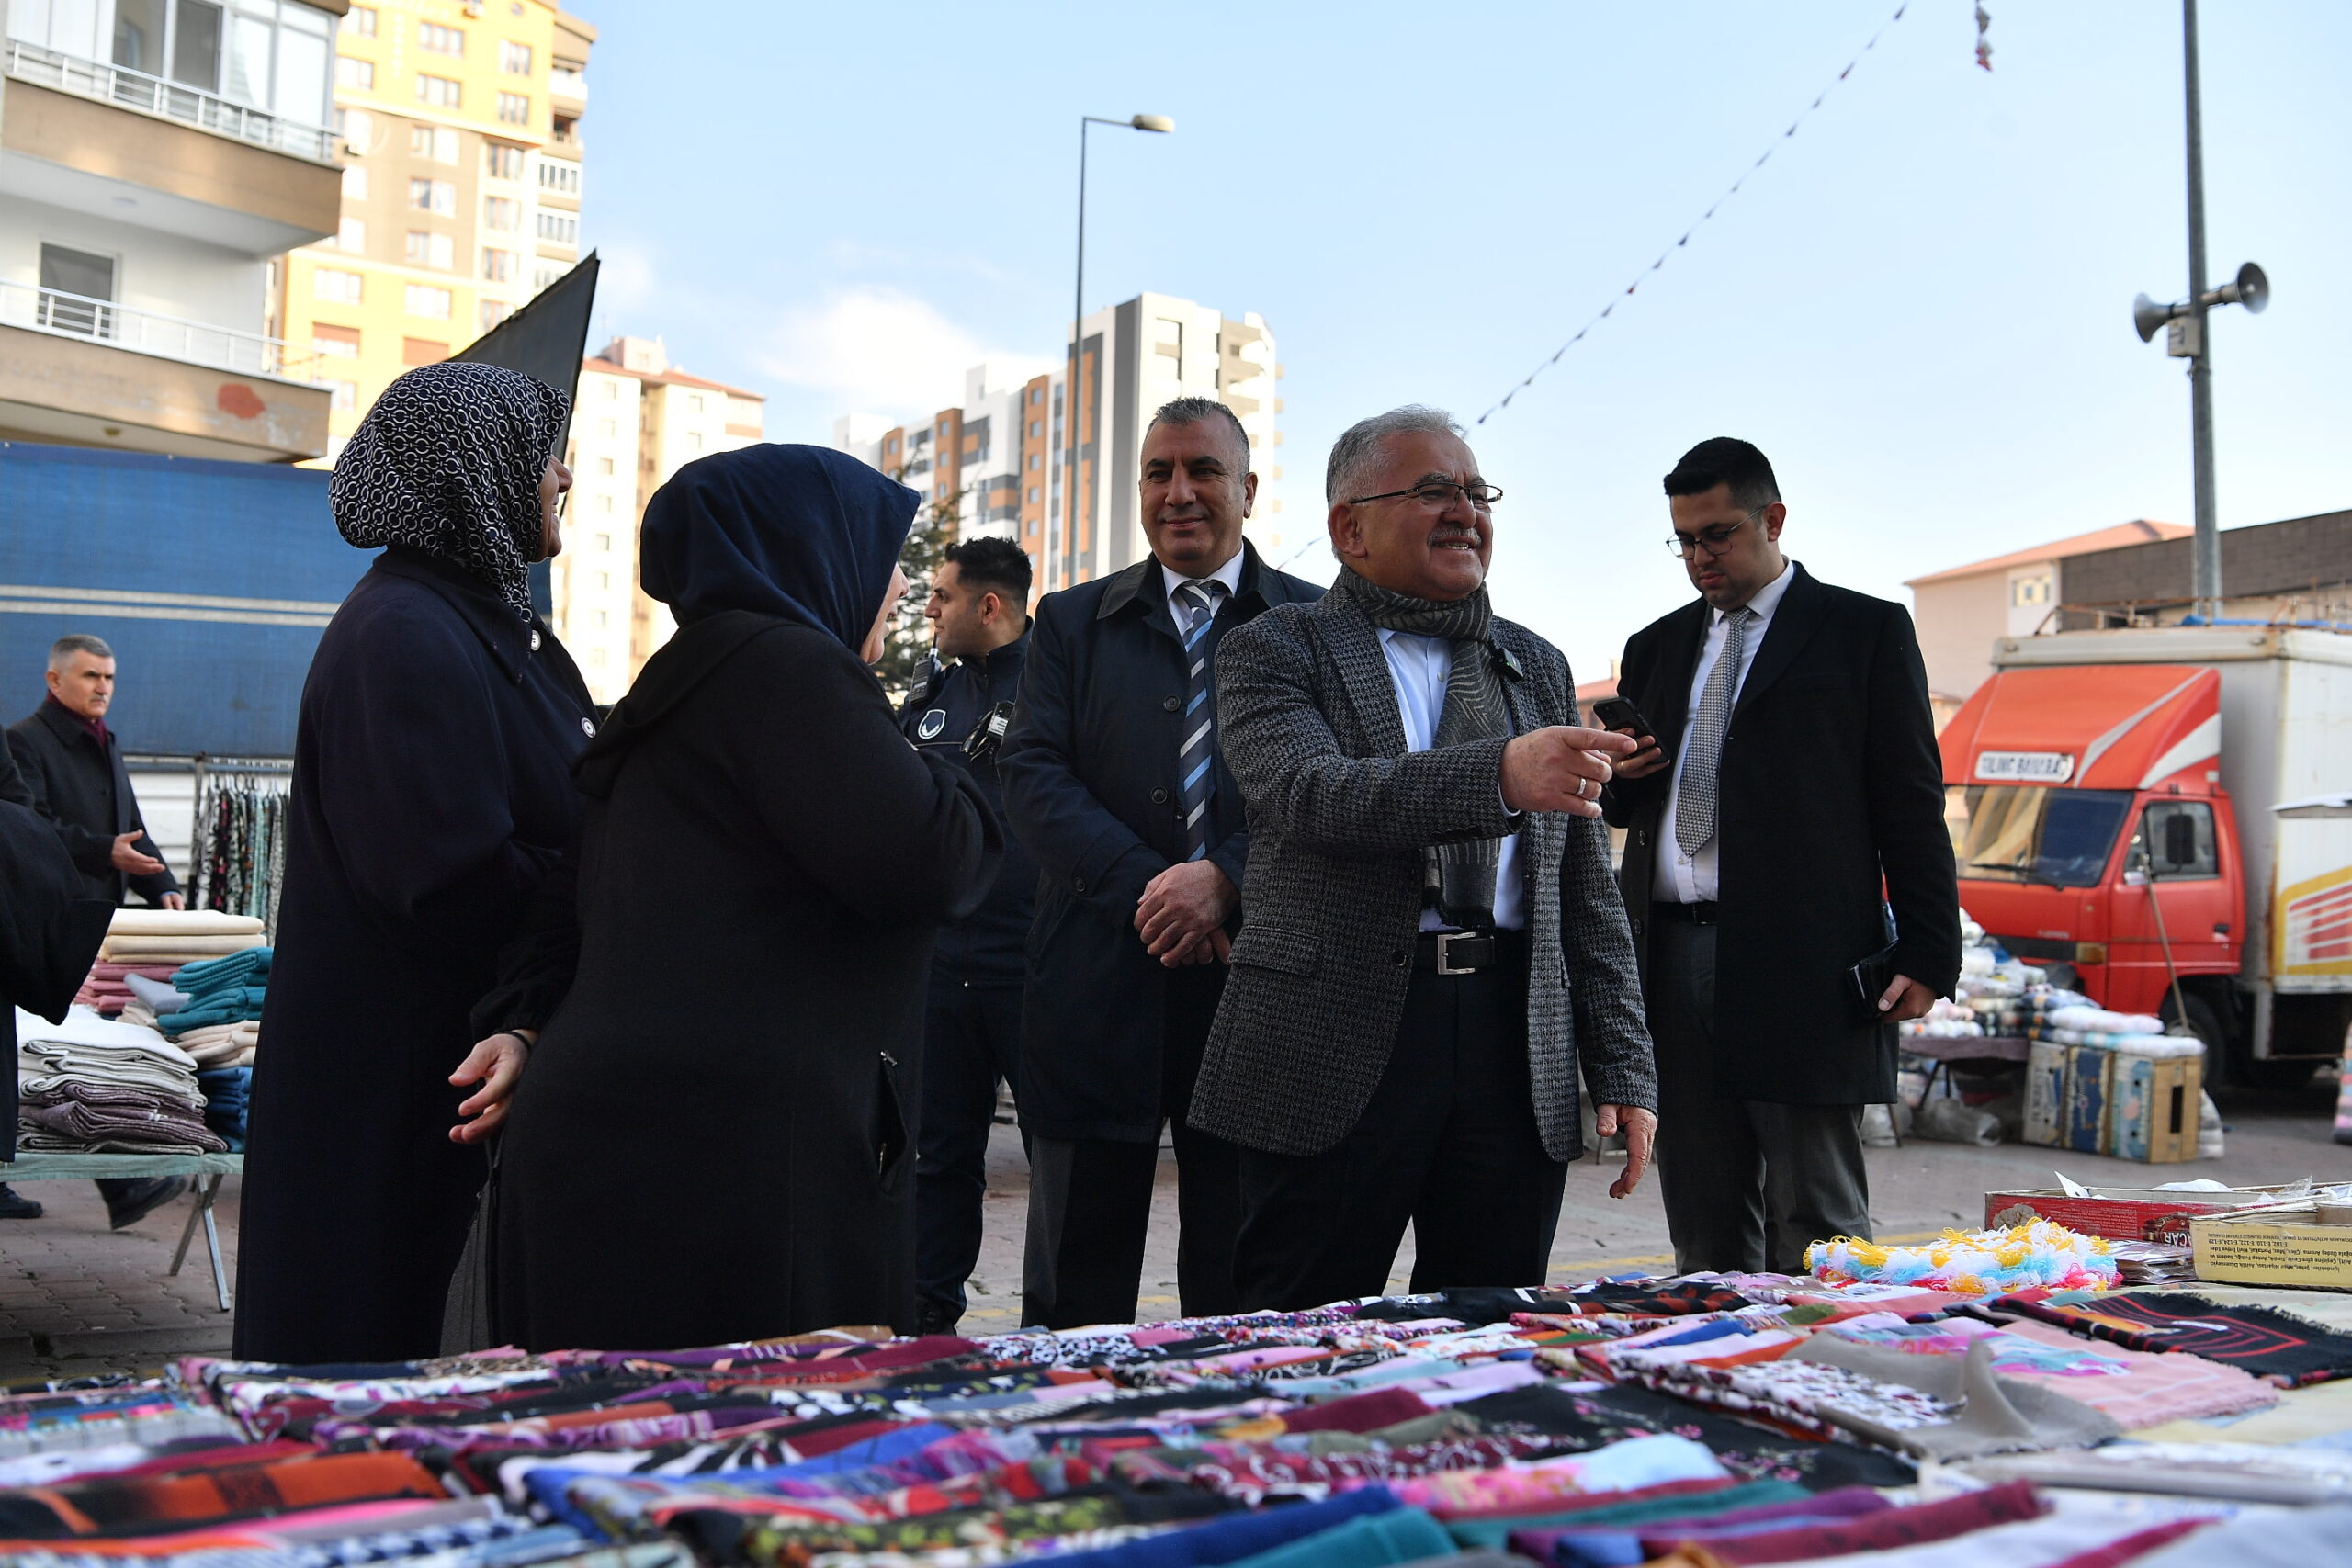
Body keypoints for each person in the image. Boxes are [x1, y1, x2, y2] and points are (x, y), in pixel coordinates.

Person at [489, 444, 1000, 1350]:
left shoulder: (689, 677)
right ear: (816, 551)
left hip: (635, 1157)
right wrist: (959, 768)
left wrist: (523, 1022)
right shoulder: (791, 670)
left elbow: (571, 902)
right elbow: (930, 859)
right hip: (731, 1182)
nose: (893, 590)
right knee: (750, 1459)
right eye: (882, 560)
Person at [1192, 406, 1658, 1310]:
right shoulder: (1273, 647)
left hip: (1512, 1047)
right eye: (1431, 490)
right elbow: (1306, 793)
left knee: (1488, 1336)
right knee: (1302, 1342)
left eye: (1476, 492)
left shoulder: (1536, 664)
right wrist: (1497, 775)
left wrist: (1625, 1067)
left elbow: (1582, 889)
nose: (1463, 511)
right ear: (1348, 528)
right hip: (1335, 1041)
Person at [232, 362, 598, 1363]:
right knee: (373, 1372)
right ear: (475, 468)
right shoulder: (403, 636)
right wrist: (611, 886)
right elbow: (447, 883)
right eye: (545, 455)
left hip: (452, 1074)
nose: (563, 477)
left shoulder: (487, 625)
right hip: (399, 1098)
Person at [998, 397, 1323, 1329]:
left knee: (1240, 1279)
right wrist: (1157, 892)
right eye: (1157, 473)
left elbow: (1333, 782)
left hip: (1254, 984)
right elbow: (1032, 774)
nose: (1178, 493)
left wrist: (1227, 878)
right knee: (1073, 1287)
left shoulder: (1311, 623)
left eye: (1203, 471)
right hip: (1096, 980)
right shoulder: (1068, 623)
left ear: (1249, 489)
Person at [1602, 437, 1960, 1274]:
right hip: (1668, 950)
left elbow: (1911, 801)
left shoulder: (1863, 631)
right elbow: (1628, 803)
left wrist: (1931, 949)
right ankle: (1713, 1379)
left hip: (1805, 960)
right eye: (1683, 539)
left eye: (1717, 534)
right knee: (1703, 1219)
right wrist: (1616, 777)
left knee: (1820, 1227)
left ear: (1774, 519)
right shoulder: (1655, 646)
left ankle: (1829, 1381)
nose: (1698, 558)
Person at [897, 536, 1037, 1335]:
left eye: (942, 596)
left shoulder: (1059, 688)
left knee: (1059, 1154)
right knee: (939, 1156)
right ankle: (926, 1321)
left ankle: (1057, 1317)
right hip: (941, 964)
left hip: (1030, 960)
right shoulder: (930, 696)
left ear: (989, 604)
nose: (929, 609)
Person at [7, 634, 192, 1228]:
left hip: (105, 926)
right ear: (54, 680)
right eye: (91, 676)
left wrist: (161, 880)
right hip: (54, 923)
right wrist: (103, 852)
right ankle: (124, 1183)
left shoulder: (104, 740)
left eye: (109, 677)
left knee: (93, 1059)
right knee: (56, 1054)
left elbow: (131, 829)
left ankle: (127, 1183)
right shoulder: (25, 741)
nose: (103, 687)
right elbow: (30, 831)